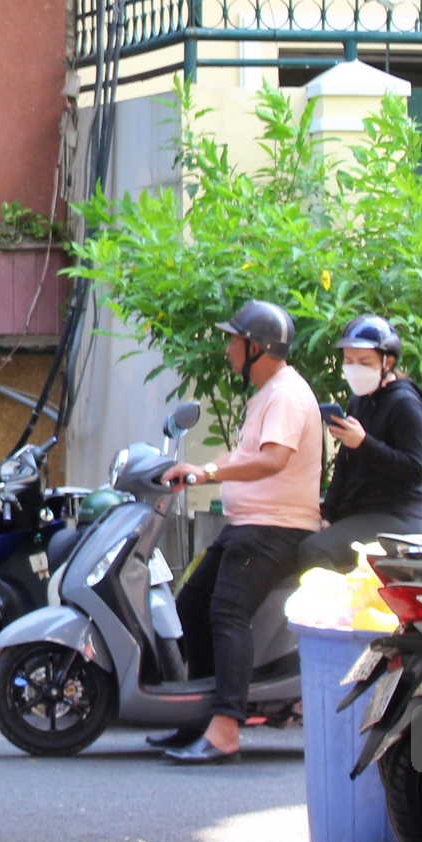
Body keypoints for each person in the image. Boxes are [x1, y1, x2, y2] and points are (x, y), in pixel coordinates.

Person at [155, 300, 323, 765]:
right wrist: (193, 470)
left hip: (274, 530)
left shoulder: (287, 395)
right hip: (249, 526)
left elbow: (272, 459)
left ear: (258, 347)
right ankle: (200, 719)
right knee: (189, 606)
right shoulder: (268, 394)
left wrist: (207, 472)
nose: (228, 348)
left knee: (228, 613)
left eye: (234, 340)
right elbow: (242, 454)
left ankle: (227, 729)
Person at [298, 315, 422, 572]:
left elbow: (415, 470)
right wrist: (327, 515)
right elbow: (345, 467)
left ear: (387, 361)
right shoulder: (359, 401)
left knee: (314, 550)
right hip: (359, 513)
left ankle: (339, 612)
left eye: (364, 361)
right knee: (300, 538)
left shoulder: (405, 403)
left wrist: (365, 443)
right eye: (349, 361)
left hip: (396, 517)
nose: (354, 367)